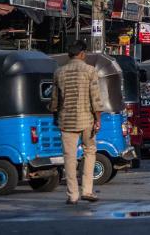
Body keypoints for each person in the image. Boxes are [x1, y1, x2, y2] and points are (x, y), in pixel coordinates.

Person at [51, 40, 102, 205]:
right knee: (89, 151)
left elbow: (54, 101)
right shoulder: (90, 70)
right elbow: (95, 98)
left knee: (69, 157)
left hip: (66, 121)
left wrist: (55, 116)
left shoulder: (59, 72)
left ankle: (72, 195)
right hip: (86, 119)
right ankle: (87, 190)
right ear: (82, 54)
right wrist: (98, 119)